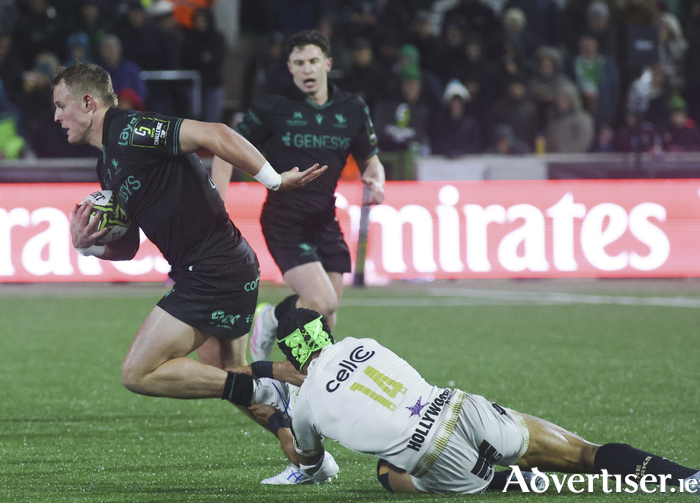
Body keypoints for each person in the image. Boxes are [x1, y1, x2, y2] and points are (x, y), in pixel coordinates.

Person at [52, 62, 326, 424]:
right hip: (217, 266)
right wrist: (87, 245)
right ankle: (307, 455)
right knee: (226, 374)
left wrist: (272, 179)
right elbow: (130, 246)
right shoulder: (107, 166)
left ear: (88, 103)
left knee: (140, 372)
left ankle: (276, 384)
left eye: (61, 105)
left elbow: (216, 133)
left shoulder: (131, 129)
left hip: (212, 268)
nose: (56, 116)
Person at [247, 308, 700, 495]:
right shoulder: (361, 341)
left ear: (291, 355)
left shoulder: (304, 403)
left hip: (432, 457)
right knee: (584, 453)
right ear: (326, 331)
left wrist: (277, 420)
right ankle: (686, 480)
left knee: (386, 472)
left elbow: (308, 463)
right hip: (460, 407)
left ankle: (501, 483)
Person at [210, 29, 385, 360]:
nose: (307, 69)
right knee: (322, 302)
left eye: (313, 61)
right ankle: (272, 320)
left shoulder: (352, 109)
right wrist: (218, 204)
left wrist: (377, 182)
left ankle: (312, 379)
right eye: (299, 62)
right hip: (284, 219)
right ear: (290, 68)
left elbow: (371, 162)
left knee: (327, 317)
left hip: (325, 219)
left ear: (328, 63)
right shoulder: (274, 106)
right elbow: (224, 150)